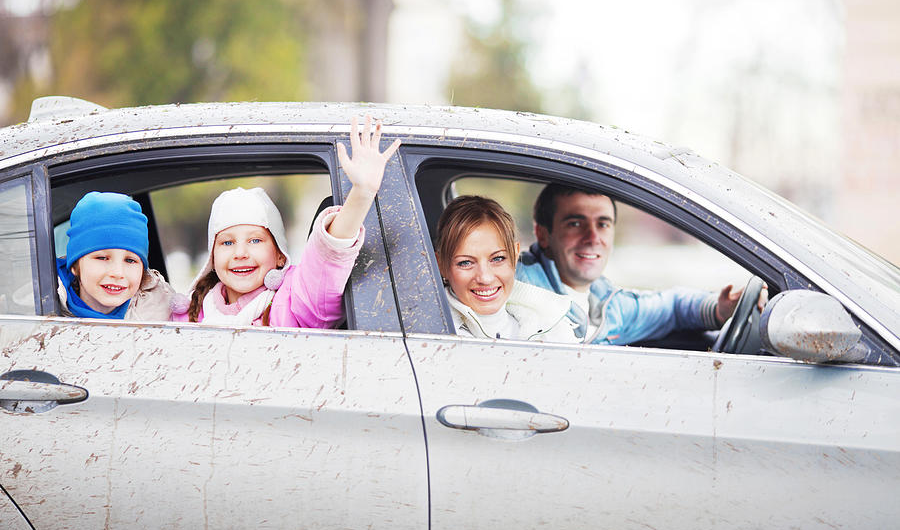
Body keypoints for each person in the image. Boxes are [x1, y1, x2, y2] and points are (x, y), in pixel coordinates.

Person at [175, 115, 399, 327]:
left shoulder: (294, 302)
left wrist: (362, 192)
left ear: (280, 254)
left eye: (255, 241)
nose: (239, 253)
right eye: (226, 243)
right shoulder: (187, 314)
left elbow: (327, 256)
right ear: (212, 257)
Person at [516, 183, 763, 345]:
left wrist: (720, 308)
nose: (593, 238)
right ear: (543, 234)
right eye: (575, 223)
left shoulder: (612, 307)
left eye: (603, 224)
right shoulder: (512, 281)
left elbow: (673, 307)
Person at [435, 195, 578, 342]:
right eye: (465, 263)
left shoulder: (551, 325)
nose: (485, 278)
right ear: (440, 265)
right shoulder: (431, 333)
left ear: (515, 255)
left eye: (497, 259)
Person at [56, 191, 176, 320]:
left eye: (130, 260)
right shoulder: (40, 303)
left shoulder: (161, 311)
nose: (118, 273)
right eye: (102, 258)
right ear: (75, 266)